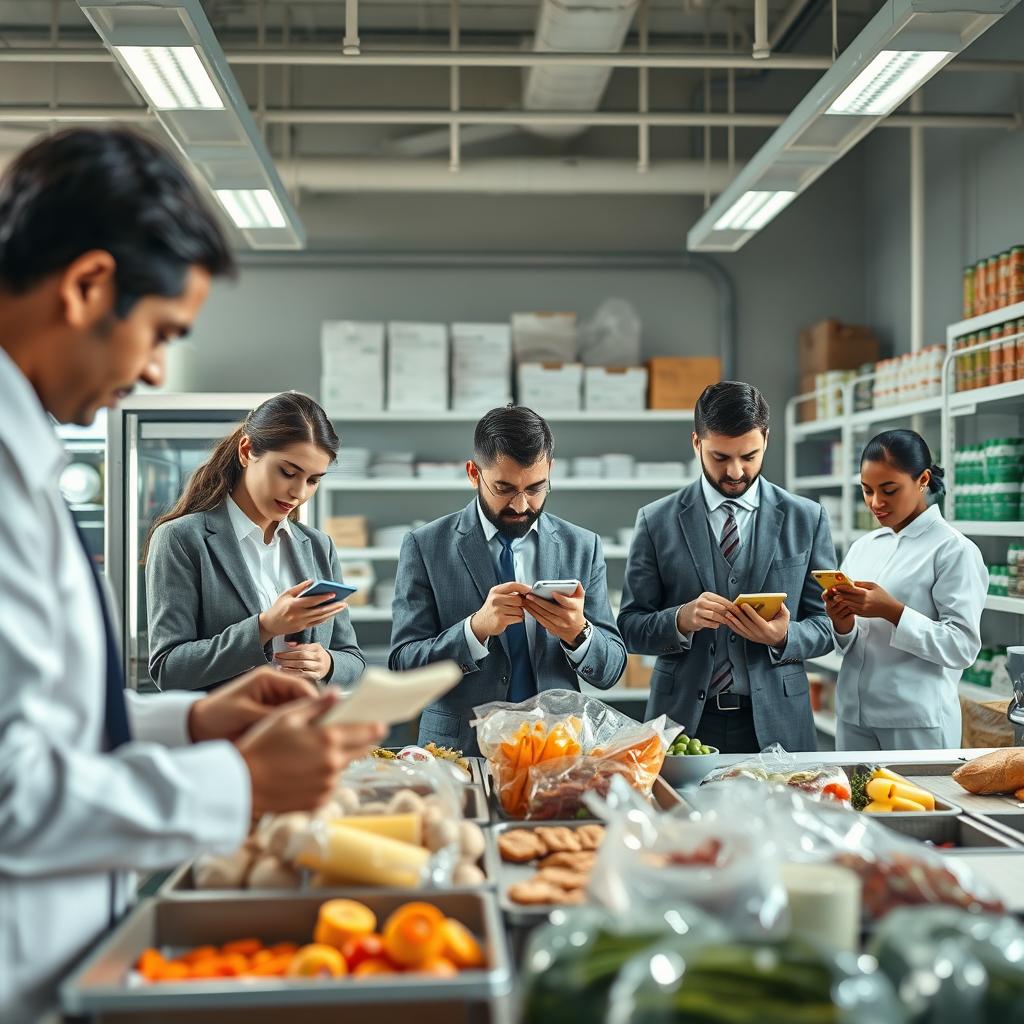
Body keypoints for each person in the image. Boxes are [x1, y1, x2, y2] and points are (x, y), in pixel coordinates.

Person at [0, 127, 385, 1022]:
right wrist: (238, 783)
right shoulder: (165, 530)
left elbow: (50, 718)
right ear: (89, 285)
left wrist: (198, 721)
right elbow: (14, 789)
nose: (155, 370)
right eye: (160, 332)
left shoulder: (27, 453)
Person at [389, 404, 627, 755]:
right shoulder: (426, 546)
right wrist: (475, 629)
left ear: (551, 473)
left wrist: (579, 633)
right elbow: (402, 665)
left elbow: (611, 670)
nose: (520, 505)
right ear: (474, 473)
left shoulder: (582, 545)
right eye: (504, 488)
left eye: (535, 488)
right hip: (459, 751)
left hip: (556, 750)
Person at [618, 381, 836, 754]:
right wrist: (681, 619)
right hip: (684, 723)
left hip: (778, 719)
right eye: (720, 457)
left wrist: (783, 637)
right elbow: (630, 627)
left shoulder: (807, 519)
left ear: (766, 440)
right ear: (696, 444)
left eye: (748, 456)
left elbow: (828, 626)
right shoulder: (656, 521)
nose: (735, 471)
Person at [146, 391, 365, 691]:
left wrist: (326, 663)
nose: (299, 493)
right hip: (228, 735)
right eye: (288, 472)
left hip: (303, 730)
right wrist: (264, 627)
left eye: (313, 480)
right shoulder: (182, 539)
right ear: (247, 450)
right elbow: (169, 669)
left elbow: (353, 659)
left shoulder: (318, 546)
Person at [823, 429, 987, 750]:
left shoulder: (953, 550)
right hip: (854, 715)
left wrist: (893, 611)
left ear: (923, 479)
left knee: (917, 802)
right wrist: (842, 623)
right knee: (854, 801)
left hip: (915, 721)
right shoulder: (863, 547)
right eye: (867, 490)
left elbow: (962, 647)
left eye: (889, 490)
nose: (876, 503)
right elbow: (850, 642)